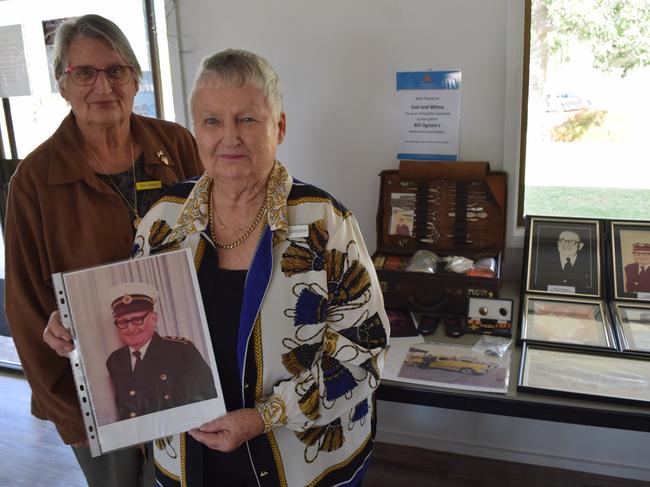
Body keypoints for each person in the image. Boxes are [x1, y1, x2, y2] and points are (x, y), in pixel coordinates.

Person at [128, 49, 389, 486]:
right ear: (196, 130)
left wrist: (265, 417)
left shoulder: (326, 223)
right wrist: (79, 328)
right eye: (212, 121)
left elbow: (364, 351)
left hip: (301, 459)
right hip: (192, 459)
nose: (229, 137)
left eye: (247, 119)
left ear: (279, 127)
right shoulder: (162, 220)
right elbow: (132, 322)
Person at [4, 14, 202, 487]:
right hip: (97, 390)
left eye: (116, 70)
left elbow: (211, 242)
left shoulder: (176, 144)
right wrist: (71, 417)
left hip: (187, 375)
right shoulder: (34, 181)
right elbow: (27, 307)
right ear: (63, 85)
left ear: (135, 79)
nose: (102, 86)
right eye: (84, 73)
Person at [105, 282, 217, 420]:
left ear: (154, 318)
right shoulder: (115, 360)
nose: (131, 329)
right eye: (123, 322)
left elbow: (208, 397)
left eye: (138, 320)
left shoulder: (181, 350)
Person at [534, 229, 592, 294]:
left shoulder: (590, 265)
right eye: (562, 241)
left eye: (571, 242)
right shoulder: (543, 262)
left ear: (580, 246)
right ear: (558, 243)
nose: (566, 245)